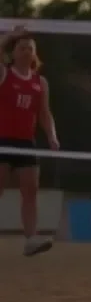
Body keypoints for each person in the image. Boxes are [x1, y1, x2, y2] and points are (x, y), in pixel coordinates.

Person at [0, 28, 59, 256]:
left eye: (30, 49)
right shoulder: (5, 74)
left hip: (26, 142)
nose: (26, 52)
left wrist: (52, 136)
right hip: (3, 140)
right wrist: (11, 35)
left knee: (31, 191)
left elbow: (44, 113)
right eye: (22, 48)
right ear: (13, 53)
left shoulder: (40, 82)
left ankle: (31, 239)